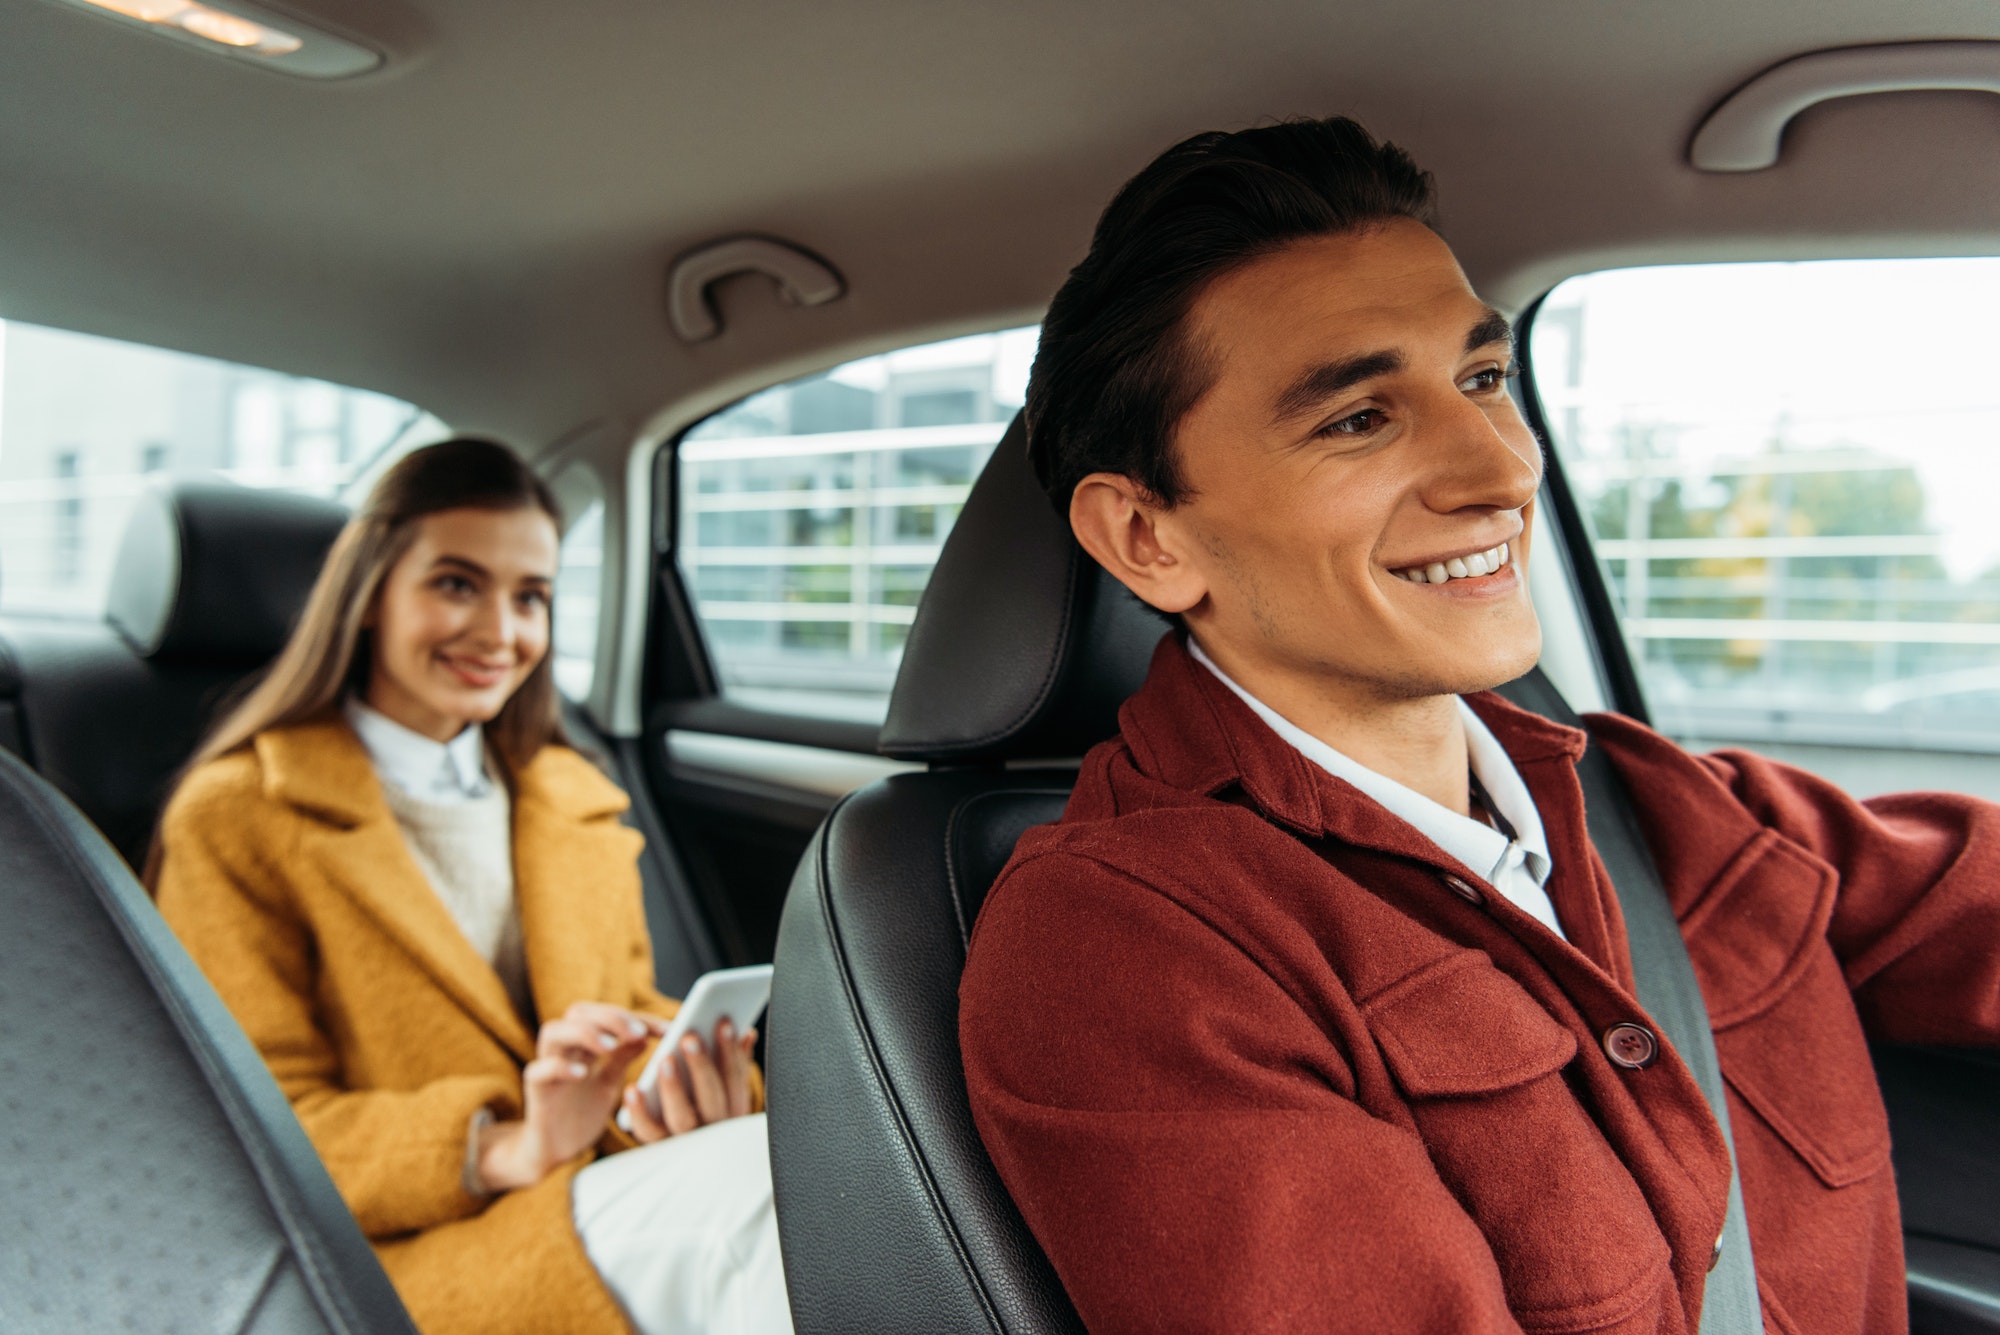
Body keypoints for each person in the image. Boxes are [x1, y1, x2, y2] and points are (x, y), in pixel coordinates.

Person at [957, 119, 2000, 1335]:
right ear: (1149, 538)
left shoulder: (1656, 805)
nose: (1499, 469)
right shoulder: (1124, 954)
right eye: (1356, 418)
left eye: (1481, 380)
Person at [153, 438, 792, 1335]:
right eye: (457, 583)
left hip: (588, 1192)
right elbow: (242, 1131)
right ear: (371, 592)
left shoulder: (574, 802)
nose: (501, 632)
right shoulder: (237, 817)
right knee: (763, 1207)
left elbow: (626, 1010)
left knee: (811, 1179)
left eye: (530, 595)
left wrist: (672, 1092)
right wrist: (501, 1146)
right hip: (399, 1252)